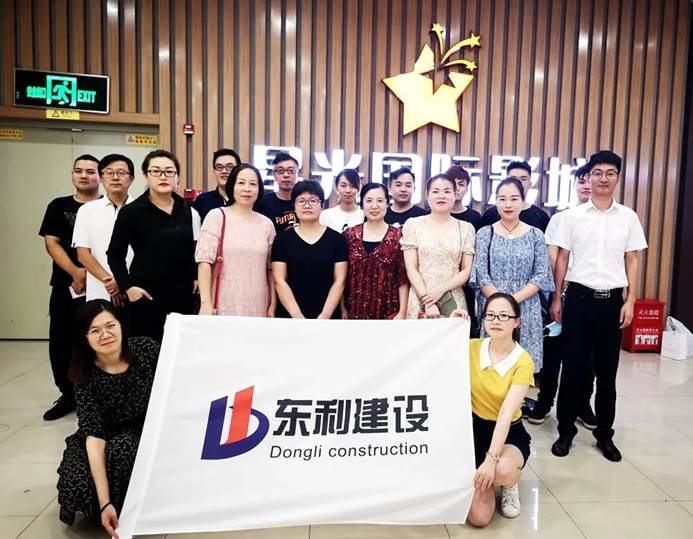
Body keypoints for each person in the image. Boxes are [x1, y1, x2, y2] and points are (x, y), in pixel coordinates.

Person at [550, 151, 648, 462]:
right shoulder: (572, 217)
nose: (603, 178)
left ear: (618, 178)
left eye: (610, 173)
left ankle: (604, 435)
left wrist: (631, 299)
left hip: (612, 303)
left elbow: (633, 259)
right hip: (578, 299)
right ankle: (565, 431)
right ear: (588, 177)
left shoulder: (628, 217)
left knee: (607, 373)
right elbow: (562, 258)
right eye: (597, 172)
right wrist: (557, 297)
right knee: (572, 369)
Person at [56, 300, 159, 536]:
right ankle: (107, 509)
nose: (105, 335)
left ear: (121, 325)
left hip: (144, 430)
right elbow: (94, 436)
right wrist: (104, 502)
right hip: (102, 435)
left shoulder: (147, 349)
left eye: (110, 325)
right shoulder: (83, 373)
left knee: (124, 450)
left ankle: (130, 508)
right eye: (95, 330)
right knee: (76, 483)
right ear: (85, 338)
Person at [452, 293, 534, 525]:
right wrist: (451, 323)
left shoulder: (523, 361)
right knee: (478, 519)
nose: (496, 321)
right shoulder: (472, 347)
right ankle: (483, 475)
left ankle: (510, 483)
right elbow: (437, 348)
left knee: (502, 470)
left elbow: (505, 415)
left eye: (503, 316)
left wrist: (491, 460)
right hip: (474, 430)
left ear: (516, 322)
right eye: (490, 315)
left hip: (508, 434)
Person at [525, 165, 596, 426]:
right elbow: (552, 256)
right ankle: (544, 401)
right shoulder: (561, 218)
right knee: (553, 353)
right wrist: (558, 292)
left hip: (592, 297)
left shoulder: (610, 219)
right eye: (581, 181)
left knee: (587, 356)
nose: (586, 185)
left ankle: (582, 405)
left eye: (590, 180)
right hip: (562, 294)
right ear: (575, 185)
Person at [107, 150, 200, 343]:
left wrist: (196, 277)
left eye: (169, 172)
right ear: (146, 175)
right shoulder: (131, 212)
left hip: (182, 295)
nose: (163, 177)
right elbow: (115, 254)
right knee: (148, 351)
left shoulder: (187, 209)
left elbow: (191, 249)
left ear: (177, 177)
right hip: (147, 295)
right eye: (156, 171)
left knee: (179, 348)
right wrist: (128, 287)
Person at [39, 154, 101, 420]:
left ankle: (97, 394)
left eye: (90, 171)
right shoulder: (58, 206)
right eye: (78, 170)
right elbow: (51, 242)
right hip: (66, 284)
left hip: (101, 284)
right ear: (72, 174)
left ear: (100, 176)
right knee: (62, 339)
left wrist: (94, 273)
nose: (84, 175)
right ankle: (68, 394)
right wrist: (75, 271)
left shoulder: (108, 207)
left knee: (97, 339)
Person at [471, 178, 554, 370]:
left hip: (526, 305)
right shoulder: (484, 233)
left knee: (523, 363)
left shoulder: (536, 234)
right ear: (496, 202)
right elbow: (481, 273)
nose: (508, 204)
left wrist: (512, 301)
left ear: (523, 202)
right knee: (493, 363)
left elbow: (541, 274)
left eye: (514, 199)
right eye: (502, 199)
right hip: (493, 307)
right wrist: (500, 305)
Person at [196, 164, 276, 316]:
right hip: (222, 303)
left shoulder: (266, 224)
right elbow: (204, 262)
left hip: (258, 303)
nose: (247, 189)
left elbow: (270, 269)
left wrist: (272, 304)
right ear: (232, 186)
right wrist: (206, 302)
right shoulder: (216, 216)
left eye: (253, 184)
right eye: (241, 183)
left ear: (259, 189)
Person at [401, 173, 475, 318]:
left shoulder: (466, 228)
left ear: (455, 195)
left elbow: (466, 270)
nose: (441, 196)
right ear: (427, 195)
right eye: (435, 191)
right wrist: (427, 301)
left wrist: (440, 290)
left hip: (453, 299)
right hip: (420, 296)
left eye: (447, 191)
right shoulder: (413, 225)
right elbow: (411, 268)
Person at [271, 181, 348, 319]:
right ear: (294, 205)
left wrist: (325, 315)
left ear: (322, 205)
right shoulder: (282, 240)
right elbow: (279, 280)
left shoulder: (337, 239)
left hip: (328, 317)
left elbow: (340, 281)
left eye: (313, 200)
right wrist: (297, 315)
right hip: (290, 317)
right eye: (301, 201)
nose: (307, 205)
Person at [73, 154, 135, 305]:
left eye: (121, 173)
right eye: (109, 173)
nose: (115, 177)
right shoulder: (87, 210)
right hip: (100, 290)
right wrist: (110, 282)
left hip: (135, 289)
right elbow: (83, 254)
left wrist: (122, 282)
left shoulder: (142, 210)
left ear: (132, 178)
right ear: (101, 178)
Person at [343, 183, 408, 319]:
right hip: (353, 312)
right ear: (361, 205)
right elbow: (341, 277)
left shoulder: (398, 236)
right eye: (369, 201)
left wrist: (402, 312)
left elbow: (402, 279)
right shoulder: (349, 235)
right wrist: (342, 310)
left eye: (380, 201)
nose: (374, 206)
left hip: (389, 314)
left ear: (387, 204)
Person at [447, 164, 482, 335]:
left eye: (461, 184)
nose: (456, 188)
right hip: (437, 280)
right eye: (452, 184)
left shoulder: (474, 218)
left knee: (463, 328)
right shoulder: (431, 215)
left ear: (467, 188)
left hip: (465, 284)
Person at [479, 160, 550, 232]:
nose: (518, 182)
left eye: (523, 179)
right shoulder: (491, 215)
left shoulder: (540, 216)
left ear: (530, 184)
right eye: (514, 178)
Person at [192, 148, 241, 222]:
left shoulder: (246, 200)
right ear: (214, 171)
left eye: (229, 167)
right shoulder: (203, 201)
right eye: (219, 167)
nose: (224, 171)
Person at [256, 151, 300, 233]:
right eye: (280, 171)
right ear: (274, 175)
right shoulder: (262, 203)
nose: (286, 175)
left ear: (298, 174)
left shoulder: (305, 202)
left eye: (291, 171)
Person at [447, 165, 482, 230]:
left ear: (466, 190)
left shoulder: (475, 217)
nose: (456, 188)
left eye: (461, 184)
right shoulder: (434, 214)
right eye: (453, 183)